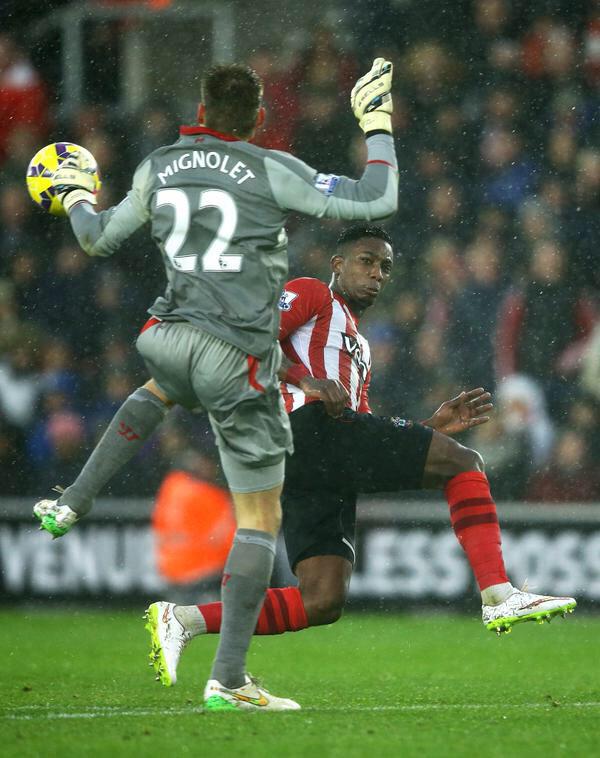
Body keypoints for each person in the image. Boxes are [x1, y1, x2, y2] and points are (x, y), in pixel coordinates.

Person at [32, 59, 399, 711]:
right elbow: (377, 201)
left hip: (168, 331)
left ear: (199, 114)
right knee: (260, 517)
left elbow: (94, 240)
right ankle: (228, 678)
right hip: (236, 352)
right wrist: (376, 124)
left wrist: (76, 195)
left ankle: (71, 501)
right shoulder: (268, 166)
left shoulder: (158, 165)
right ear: (258, 119)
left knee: (159, 390)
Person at [144, 225, 576, 689]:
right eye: (366, 261)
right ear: (337, 265)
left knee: (322, 600)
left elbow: (363, 433)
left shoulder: (358, 346)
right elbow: (249, 341)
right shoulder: (310, 293)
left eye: (385, 267)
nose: (377, 274)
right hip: (306, 431)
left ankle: (184, 619)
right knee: (464, 463)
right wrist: (303, 379)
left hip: (320, 459)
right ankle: (498, 593)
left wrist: (429, 430)